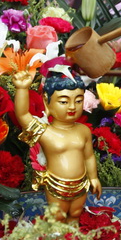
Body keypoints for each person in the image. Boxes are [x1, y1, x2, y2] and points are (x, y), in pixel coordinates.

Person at [12, 67, 102, 222]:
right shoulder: (45, 132)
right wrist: (22, 88)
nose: (72, 107)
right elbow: (22, 115)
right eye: (63, 101)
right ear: (47, 101)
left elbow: (88, 157)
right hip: (56, 185)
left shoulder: (84, 131)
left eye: (79, 100)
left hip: (81, 184)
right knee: (58, 216)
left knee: (75, 214)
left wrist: (94, 178)